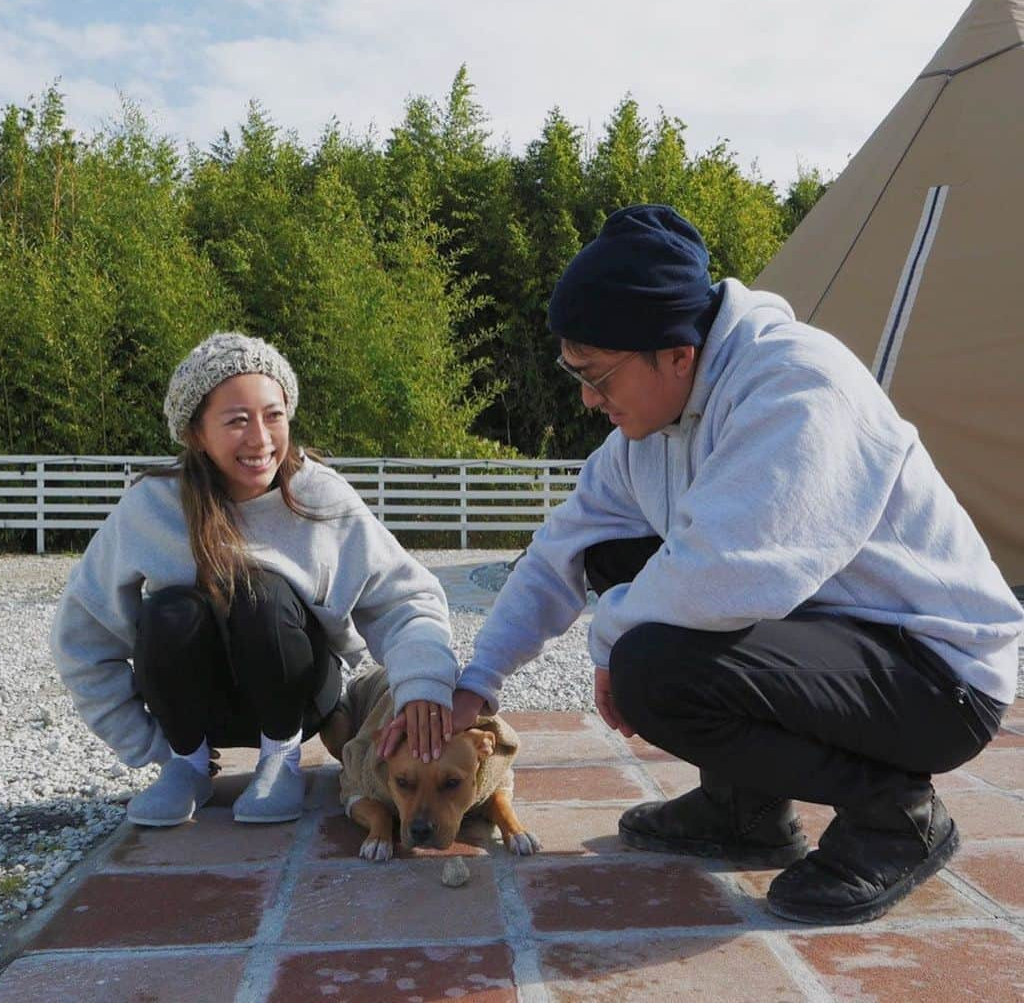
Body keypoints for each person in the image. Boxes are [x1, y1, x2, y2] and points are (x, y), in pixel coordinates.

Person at [429, 204, 1022, 925]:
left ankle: (895, 816)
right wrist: (475, 682)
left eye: (599, 376)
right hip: (845, 642)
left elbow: (732, 573)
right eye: (575, 373)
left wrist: (611, 639)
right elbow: (559, 549)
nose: (588, 399)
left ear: (677, 353)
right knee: (613, 551)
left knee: (655, 666)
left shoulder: (799, 386)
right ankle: (744, 808)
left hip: (938, 674)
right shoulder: (650, 430)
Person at [52, 332, 457, 828]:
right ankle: (189, 766)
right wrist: (145, 742)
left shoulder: (320, 497)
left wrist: (423, 681)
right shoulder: (150, 509)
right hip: (198, 712)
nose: (261, 439)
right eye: (237, 420)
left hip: (298, 698)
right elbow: (81, 635)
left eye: (273, 415)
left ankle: (279, 760)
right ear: (196, 433)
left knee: (259, 592)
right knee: (169, 610)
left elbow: (405, 599)